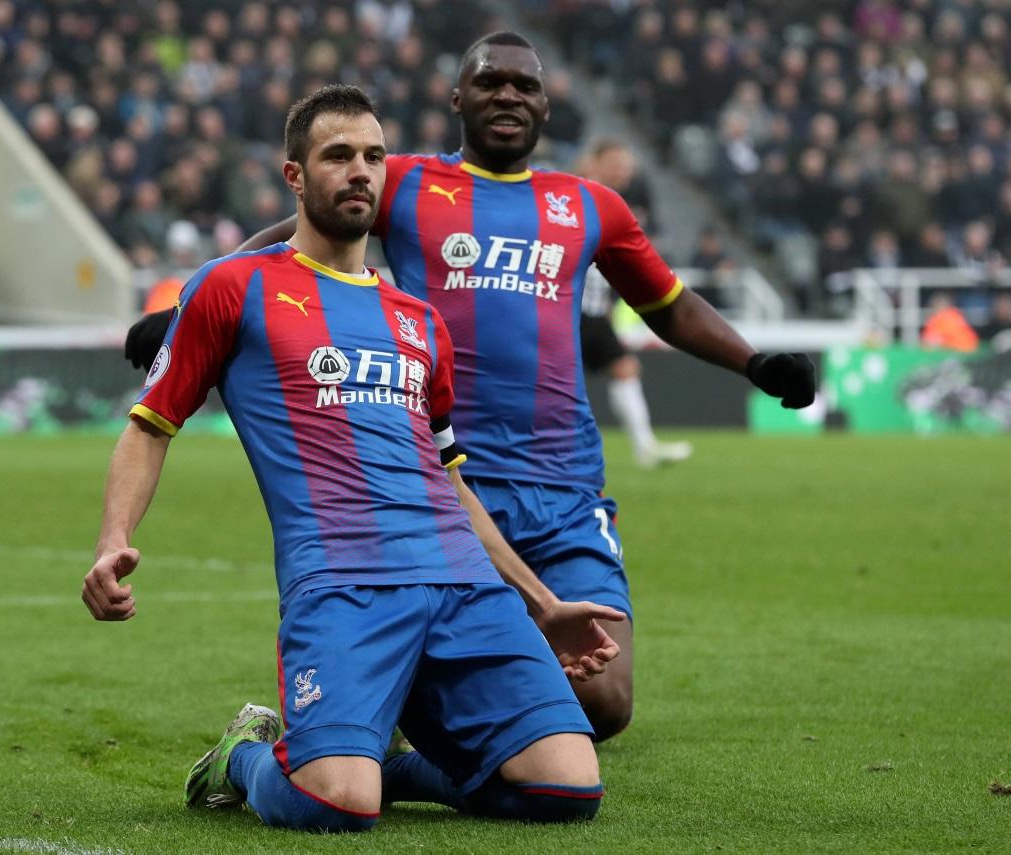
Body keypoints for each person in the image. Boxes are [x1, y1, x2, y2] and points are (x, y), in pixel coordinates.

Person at [124, 33, 816, 743]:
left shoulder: (589, 206)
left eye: (525, 85)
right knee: (458, 700)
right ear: (458, 99)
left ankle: (431, 718)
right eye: (490, 83)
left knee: (605, 700)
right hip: (439, 490)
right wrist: (186, 312)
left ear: (546, 105)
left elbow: (667, 303)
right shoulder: (403, 182)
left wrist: (754, 363)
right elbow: (292, 239)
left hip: (565, 492)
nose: (508, 95)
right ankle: (399, 718)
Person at [85, 85, 623, 833]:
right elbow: (150, 428)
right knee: (336, 802)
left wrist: (542, 602)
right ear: (294, 176)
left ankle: (392, 765)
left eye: (373, 156)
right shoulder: (235, 287)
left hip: (464, 586)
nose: (361, 171)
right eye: (338, 155)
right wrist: (113, 539)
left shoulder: (420, 321)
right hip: (344, 583)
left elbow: (450, 478)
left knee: (567, 789)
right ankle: (243, 755)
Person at [578, 138, 692, 468]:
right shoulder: (575, 196)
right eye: (617, 163)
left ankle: (645, 447)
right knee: (557, 383)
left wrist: (610, 299)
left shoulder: (615, 204)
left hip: (593, 309)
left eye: (627, 166)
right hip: (566, 308)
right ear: (595, 162)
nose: (624, 171)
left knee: (624, 367)